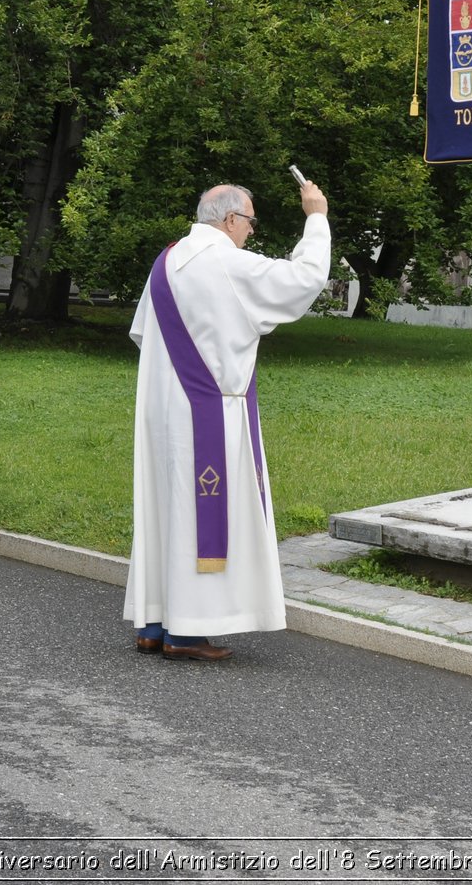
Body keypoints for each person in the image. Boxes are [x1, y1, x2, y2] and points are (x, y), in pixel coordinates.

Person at [124, 181, 331, 661]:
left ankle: (154, 621)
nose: (251, 232)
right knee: (199, 514)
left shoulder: (167, 260)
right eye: (251, 221)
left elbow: (141, 331)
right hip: (210, 412)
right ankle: (187, 631)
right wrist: (315, 217)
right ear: (230, 219)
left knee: (165, 509)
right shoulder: (227, 262)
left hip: (162, 407)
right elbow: (302, 281)